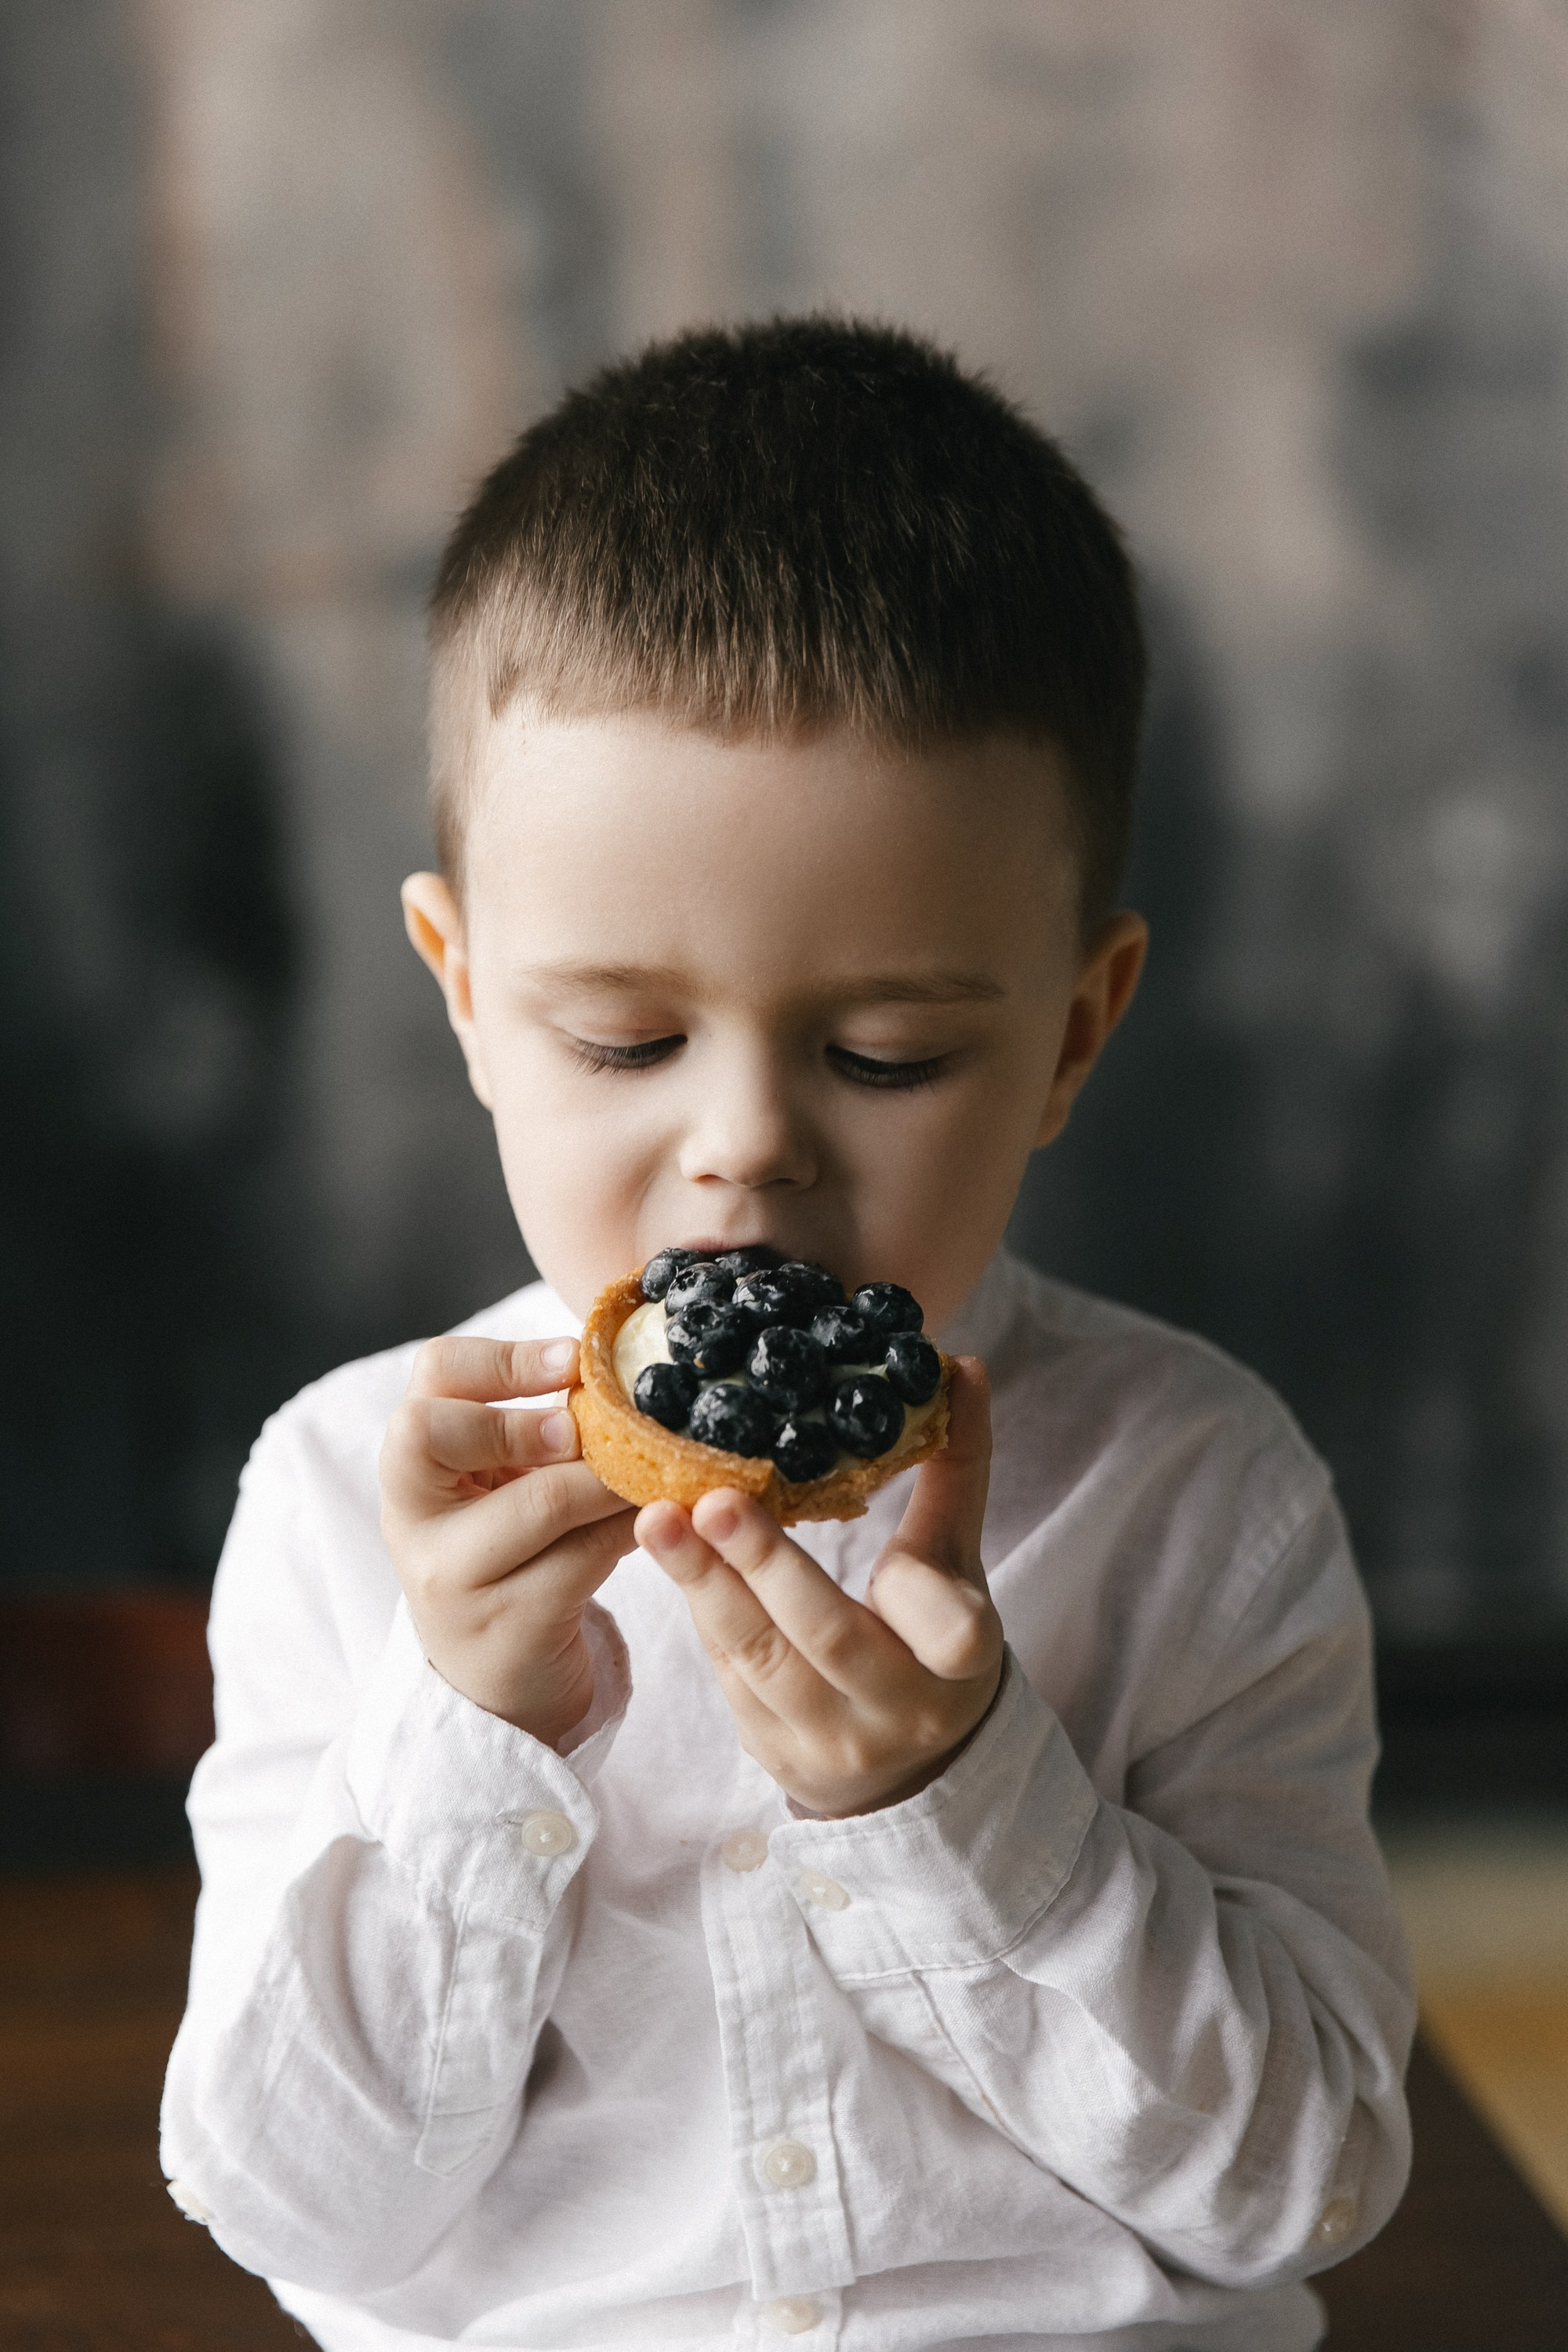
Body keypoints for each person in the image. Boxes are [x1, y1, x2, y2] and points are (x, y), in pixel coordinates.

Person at [161, 318, 1413, 2352]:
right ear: (464, 991)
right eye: (625, 1039)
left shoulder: (1201, 1492)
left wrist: (965, 1807)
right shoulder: (338, 1499)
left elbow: (1310, 2187)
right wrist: (468, 1734)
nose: (744, 1152)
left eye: (888, 1051)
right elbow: (300, 2203)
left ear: (1075, 1032)